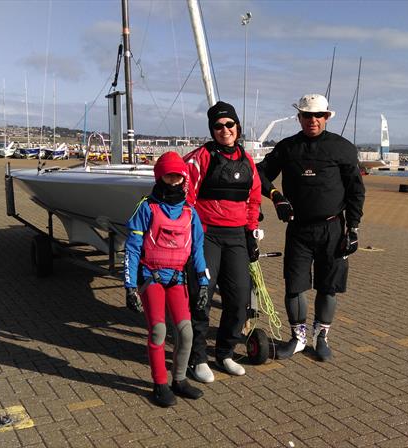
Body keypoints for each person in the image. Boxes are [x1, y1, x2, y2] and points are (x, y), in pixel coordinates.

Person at [256, 93, 365, 362]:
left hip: (333, 229)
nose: (312, 120)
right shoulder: (287, 147)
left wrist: (353, 228)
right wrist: (276, 197)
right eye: (307, 115)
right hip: (298, 230)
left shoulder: (343, 148)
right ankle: (298, 338)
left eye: (318, 115)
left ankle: (322, 336)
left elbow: (356, 191)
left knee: (328, 287)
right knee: (294, 286)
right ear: (299, 117)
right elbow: (259, 174)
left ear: (327, 117)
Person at [183, 101, 262, 382]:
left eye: (229, 124)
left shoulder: (247, 160)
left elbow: (253, 200)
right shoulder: (200, 157)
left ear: (237, 127)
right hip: (207, 235)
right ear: (212, 130)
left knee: (239, 298)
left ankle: (225, 352)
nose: (224, 130)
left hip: (237, 236)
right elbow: (186, 198)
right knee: (201, 297)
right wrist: (190, 236)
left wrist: (251, 233)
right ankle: (197, 358)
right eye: (218, 126)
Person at [124, 151, 211, 407]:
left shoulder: (190, 212)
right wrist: (130, 287)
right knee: (158, 330)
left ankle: (179, 379)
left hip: (177, 279)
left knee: (185, 332)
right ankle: (160, 384)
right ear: (160, 177)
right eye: (168, 176)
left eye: (178, 176)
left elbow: (197, 250)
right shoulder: (146, 208)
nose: (173, 181)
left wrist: (203, 282)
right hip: (151, 278)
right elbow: (131, 248)